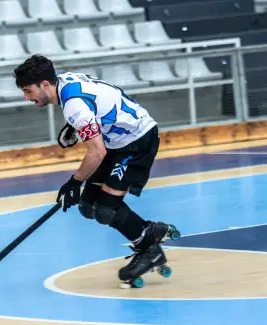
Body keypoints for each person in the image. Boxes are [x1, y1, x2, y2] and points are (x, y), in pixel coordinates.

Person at [13, 54, 180, 288]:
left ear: (44, 85)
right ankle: (150, 230)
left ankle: (150, 251)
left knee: (105, 209)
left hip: (137, 140)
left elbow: (96, 152)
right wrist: (77, 126)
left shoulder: (73, 106)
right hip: (115, 141)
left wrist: (74, 182)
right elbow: (95, 99)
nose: (26, 97)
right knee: (87, 206)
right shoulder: (62, 82)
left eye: (28, 91)